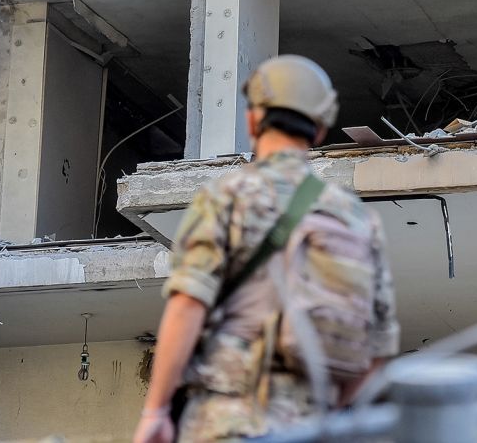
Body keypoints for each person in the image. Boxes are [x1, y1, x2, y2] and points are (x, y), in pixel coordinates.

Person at [134, 55, 399, 443]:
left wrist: (155, 411)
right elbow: (376, 350)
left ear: (253, 120)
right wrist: (326, 413)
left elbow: (188, 305)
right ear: (321, 129)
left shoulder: (227, 197)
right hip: (313, 428)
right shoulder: (359, 222)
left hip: (227, 422)